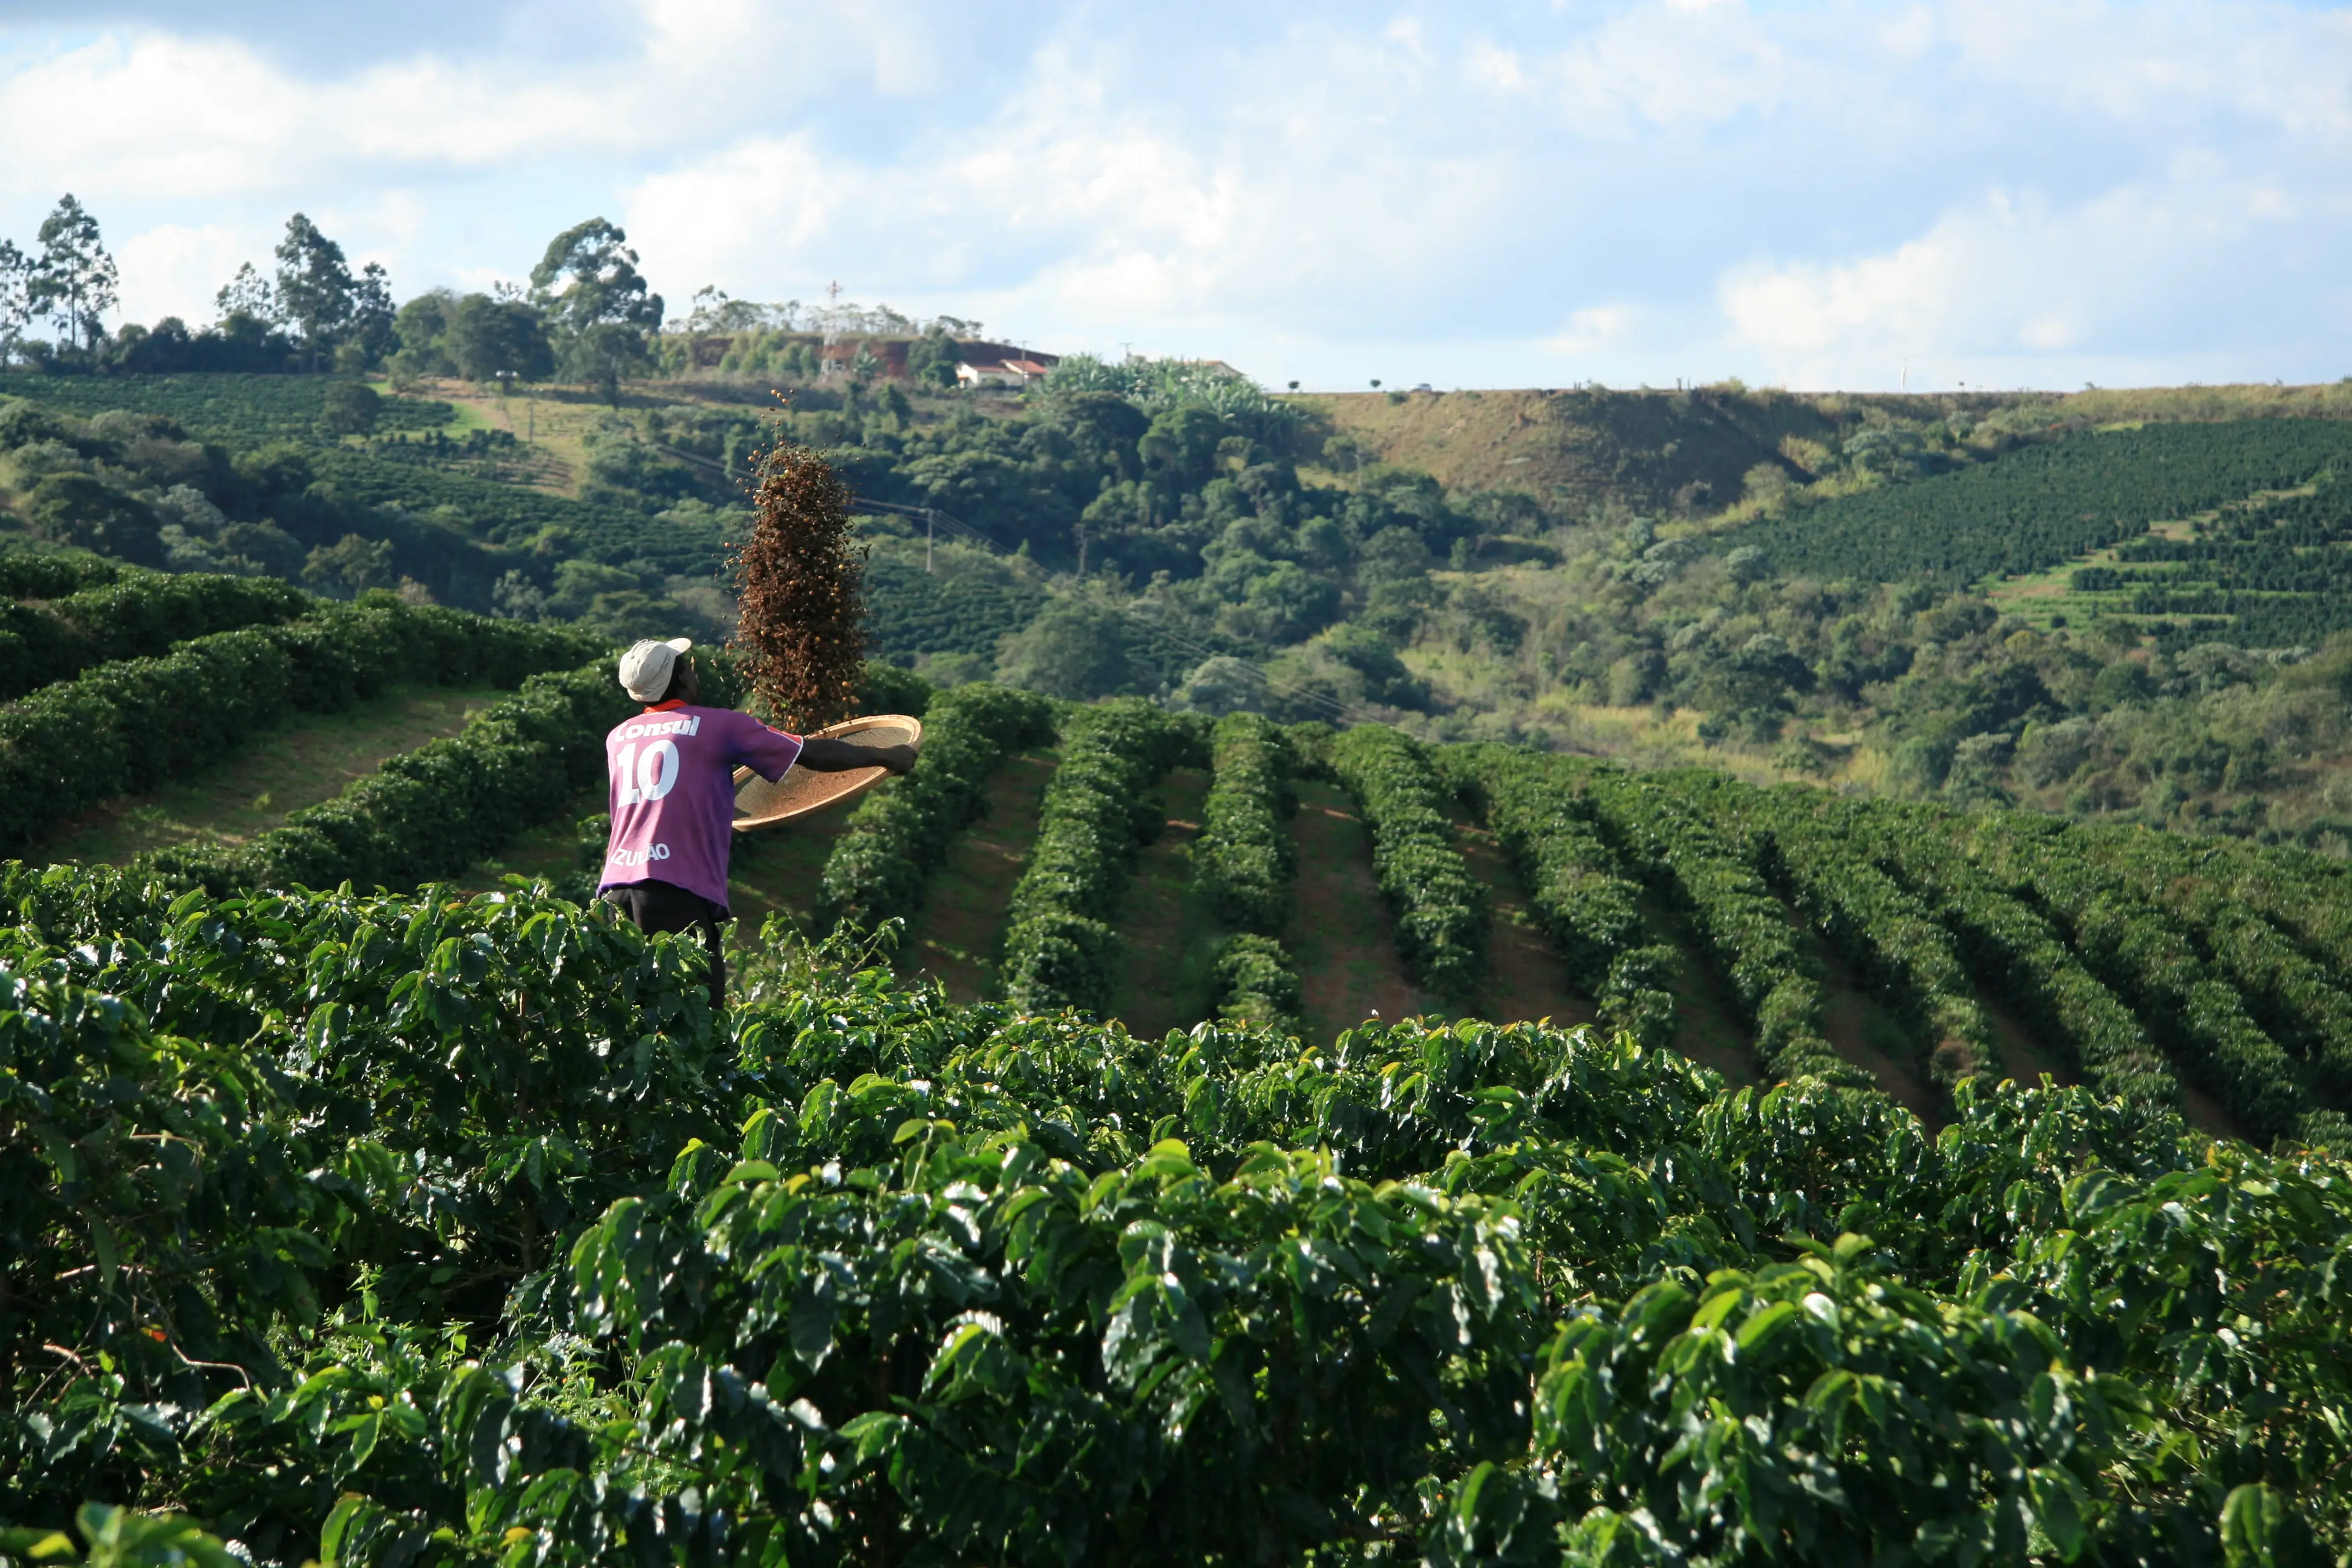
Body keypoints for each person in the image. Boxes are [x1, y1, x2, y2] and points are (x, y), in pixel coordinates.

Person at [598, 637, 915, 1010]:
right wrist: (885, 756)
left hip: (614, 893)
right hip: (674, 889)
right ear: (682, 679)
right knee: (696, 1019)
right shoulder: (719, 725)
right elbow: (812, 753)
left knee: (626, 1013)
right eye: (690, 669)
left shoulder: (618, 737)